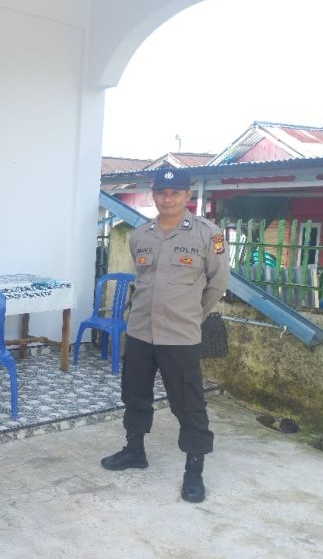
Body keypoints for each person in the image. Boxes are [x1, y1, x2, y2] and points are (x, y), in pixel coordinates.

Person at [101, 167, 229, 503]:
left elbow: (217, 284)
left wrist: (191, 316)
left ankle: (194, 470)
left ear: (188, 195)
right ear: (154, 195)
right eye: (161, 192)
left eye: (175, 192)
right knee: (134, 394)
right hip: (141, 332)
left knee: (189, 404)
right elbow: (142, 281)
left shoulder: (210, 235)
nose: (167, 198)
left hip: (180, 336)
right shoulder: (140, 235)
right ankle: (135, 450)